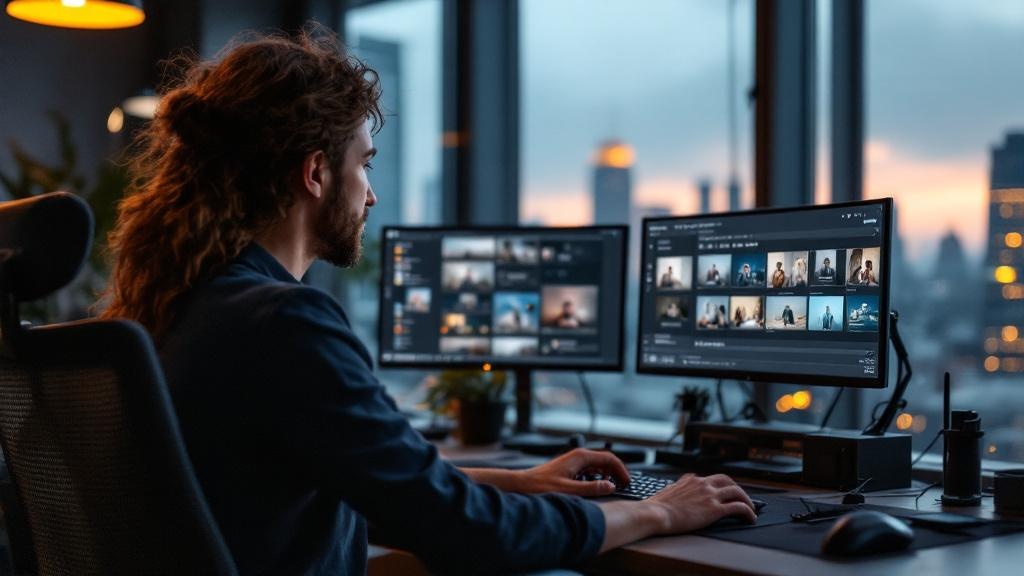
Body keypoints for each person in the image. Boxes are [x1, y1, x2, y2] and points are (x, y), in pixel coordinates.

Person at [100, 29, 756, 575]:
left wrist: (522, 481)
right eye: (366, 165)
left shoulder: (180, 309)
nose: (370, 195)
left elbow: (356, 485)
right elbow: (464, 532)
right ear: (316, 173)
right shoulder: (282, 322)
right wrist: (660, 510)